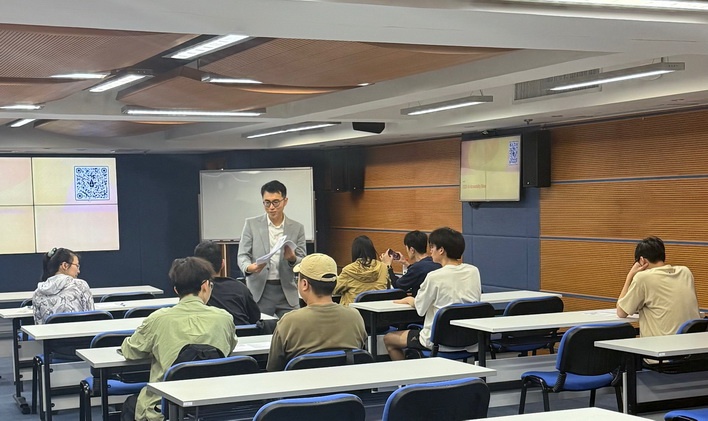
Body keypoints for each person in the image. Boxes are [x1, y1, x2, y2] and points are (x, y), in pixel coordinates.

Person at [120, 257, 237, 421]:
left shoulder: (158, 319)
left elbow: (131, 352)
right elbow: (229, 348)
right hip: (213, 407)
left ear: (176, 290)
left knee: (131, 405)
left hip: (165, 409)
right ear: (205, 285)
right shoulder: (224, 318)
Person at [383, 227, 481, 361]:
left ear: (441, 250)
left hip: (438, 341)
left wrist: (409, 300)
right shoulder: (473, 271)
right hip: (471, 341)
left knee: (389, 339)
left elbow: (420, 309)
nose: (430, 251)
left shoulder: (434, 276)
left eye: (432, 247)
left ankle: (407, 374)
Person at [266, 253, 367, 371]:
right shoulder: (355, 317)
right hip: (347, 381)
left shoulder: (289, 322)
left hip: (301, 382)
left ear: (304, 284)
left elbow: (273, 369)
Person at [238, 180, 306, 318]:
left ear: (285, 201)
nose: (271, 207)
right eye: (267, 203)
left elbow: (303, 260)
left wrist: (292, 259)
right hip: (259, 291)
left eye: (276, 202)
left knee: (294, 327)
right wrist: (249, 267)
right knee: (260, 328)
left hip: (287, 291)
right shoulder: (251, 224)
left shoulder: (297, 228)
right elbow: (242, 255)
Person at [617, 236, 700, 337]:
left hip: (660, 344)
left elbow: (621, 312)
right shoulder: (685, 272)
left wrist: (630, 276)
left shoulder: (643, 278)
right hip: (692, 342)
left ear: (642, 260)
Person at [194, 240, 261, 325]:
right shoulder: (240, 288)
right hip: (243, 332)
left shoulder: (194, 292)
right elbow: (255, 318)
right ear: (223, 263)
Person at [32, 247, 94, 324]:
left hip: (51, 332)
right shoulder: (81, 286)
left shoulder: (38, 293)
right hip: (79, 331)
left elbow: (39, 325)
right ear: (65, 265)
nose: (78, 271)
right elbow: (92, 318)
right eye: (77, 266)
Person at [381, 230, 441, 296]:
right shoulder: (434, 262)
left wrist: (388, 266)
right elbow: (418, 272)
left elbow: (397, 285)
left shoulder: (417, 268)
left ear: (412, 250)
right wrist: (406, 263)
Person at [334, 235, 389, 306]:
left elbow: (335, 290)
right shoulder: (383, 267)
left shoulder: (349, 270)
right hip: (376, 310)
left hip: (352, 311)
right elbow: (387, 288)